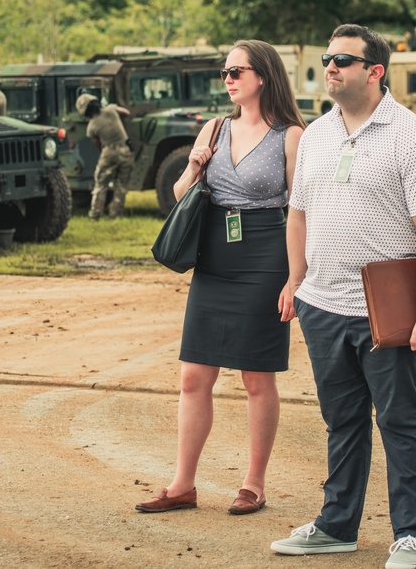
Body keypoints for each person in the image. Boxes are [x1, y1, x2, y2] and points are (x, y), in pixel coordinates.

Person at [270, 24, 416, 569]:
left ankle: (412, 533)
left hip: (385, 311)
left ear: (375, 71)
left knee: (400, 421)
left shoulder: (411, 136)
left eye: (343, 60)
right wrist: (295, 280)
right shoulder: (318, 134)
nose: (330, 67)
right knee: (342, 420)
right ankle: (337, 525)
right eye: (327, 58)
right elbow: (297, 214)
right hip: (322, 305)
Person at [135, 40, 304, 517]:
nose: (228, 78)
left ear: (263, 76)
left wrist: (295, 277)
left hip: (265, 256)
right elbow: (179, 194)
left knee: (256, 377)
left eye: (237, 71)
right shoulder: (214, 127)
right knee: (193, 376)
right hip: (215, 258)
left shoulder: (291, 135)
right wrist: (194, 165)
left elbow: (302, 211)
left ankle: (254, 484)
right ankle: (182, 484)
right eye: (225, 71)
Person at [75, 93, 134, 220]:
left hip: (108, 152)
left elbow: (98, 144)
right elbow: (126, 113)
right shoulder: (111, 110)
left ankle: (95, 215)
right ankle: (116, 214)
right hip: (125, 150)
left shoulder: (91, 127)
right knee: (121, 185)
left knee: (101, 184)